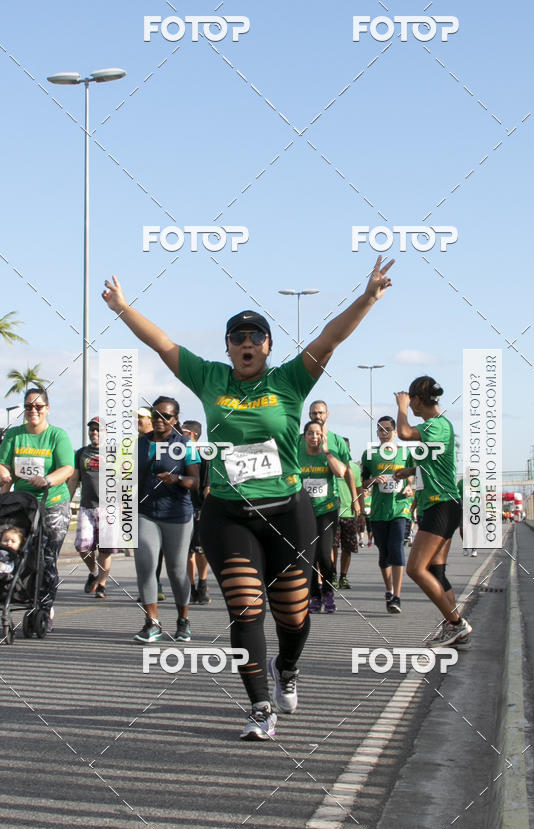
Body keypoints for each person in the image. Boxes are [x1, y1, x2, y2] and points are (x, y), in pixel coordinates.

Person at [102, 256, 394, 740]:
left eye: (255, 337)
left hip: (288, 511)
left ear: (268, 345)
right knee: (244, 609)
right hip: (229, 515)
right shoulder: (210, 378)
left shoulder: (289, 382)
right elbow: (163, 345)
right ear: (228, 347)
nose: (246, 344)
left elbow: (330, 337)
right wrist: (123, 309)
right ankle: (259, 707)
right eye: (237, 338)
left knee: (294, 616)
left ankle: (289, 668)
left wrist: (366, 298)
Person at [394, 377, 472, 646]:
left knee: (416, 569)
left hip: (443, 505)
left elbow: (403, 433)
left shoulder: (436, 425)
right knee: (436, 573)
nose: (410, 406)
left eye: (411, 401)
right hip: (436, 505)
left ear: (416, 399)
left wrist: (400, 407)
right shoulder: (436, 428)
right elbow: (434, 466)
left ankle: (456, 623)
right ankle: (454, 627)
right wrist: (410, 471)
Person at [0, 388, 74, 629]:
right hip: (21, 504)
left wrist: (48, 480)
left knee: (46, 556)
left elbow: (67, 468)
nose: (33, 411)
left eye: (38, 406)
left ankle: (43, 606)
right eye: (29, 406)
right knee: (15, 553)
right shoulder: (14, 436)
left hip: (52, 502)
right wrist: (2, 471)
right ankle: (15, 596)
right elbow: (3, 466)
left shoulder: (57, 435)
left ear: (47, 408)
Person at [133, 396, 200, 643]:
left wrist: (178, 480)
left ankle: (183, 621)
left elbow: (195, 481)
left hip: (177, 514)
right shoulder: (138, 444)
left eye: (166, 416)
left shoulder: (185, 445)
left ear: (175, 419)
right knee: (145, 563)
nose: (159, 420)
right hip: (145, 512)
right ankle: (152, 623)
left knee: (176, 570)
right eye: (155, 415)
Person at [361, 416, 413, 613]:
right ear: (377, 433)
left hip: (400, 507)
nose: (384, 434)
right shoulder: (369, 454)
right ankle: (389, 589)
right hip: (379, 511)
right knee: (384, 554)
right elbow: (363, 483)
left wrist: (409, 488)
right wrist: (374, 479)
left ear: (395, 432)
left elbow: (413, 478)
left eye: (388, 430)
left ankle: (397, 597)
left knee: (396, 547)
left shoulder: (405, 453)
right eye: (381, 430)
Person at [299, 421, 346, 613]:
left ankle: (328, 592)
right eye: (310, 433)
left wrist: (326, 452)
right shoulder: (297, 454)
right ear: (305, 436)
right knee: (308, 556)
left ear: (323, 436)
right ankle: (314, 596)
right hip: (304, 511)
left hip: (326, 510)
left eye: (318, 434)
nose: (314, 437)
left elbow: (341, 472)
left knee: (325, 556)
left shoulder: (328, 454)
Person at [68, 416, 117, 599]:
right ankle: (95, 572)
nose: (94, 432)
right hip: (87, 507)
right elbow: (74, 479)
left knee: (105, 549)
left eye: (98, 429)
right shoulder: (81, 453)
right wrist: (66, 503)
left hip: (109, 509)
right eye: (92, 429)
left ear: (106, 432)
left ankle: (102, 584)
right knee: (82, 547)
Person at [181, 419, 211, 604]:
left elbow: (207, 487)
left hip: (200, 508)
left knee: (200, 550)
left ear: (192, 435)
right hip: (182, 508)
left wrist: (206, 510)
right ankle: (190, 587)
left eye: (182, 432)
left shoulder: (205, 456)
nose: (179, 435)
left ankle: (203, 583)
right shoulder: (178, 455)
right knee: (186, 551)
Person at [137, 406, 165, 601]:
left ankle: (156, 584)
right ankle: (151, 586)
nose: (138, 420)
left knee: (159, 547)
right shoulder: (136, 443)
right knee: (144, 545)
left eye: (141, 417)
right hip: (140, 502)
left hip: (165, 503)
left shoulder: (165, 440)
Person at [332, 438, 362, 589]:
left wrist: (361, 512)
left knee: (347, 547)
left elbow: (359, 490)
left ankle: (343, 577)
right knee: (333, 546)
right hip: (333, 511)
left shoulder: (355, 468)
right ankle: (332, 575)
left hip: (349, 513)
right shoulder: (330, 466)